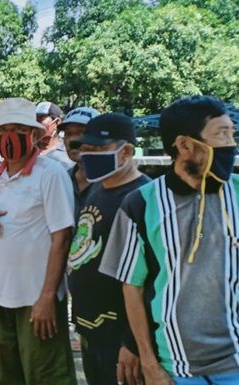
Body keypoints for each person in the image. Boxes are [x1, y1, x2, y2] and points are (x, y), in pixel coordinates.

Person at [100, 95, 239, 385]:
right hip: (174, 367)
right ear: (185, 145)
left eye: (231, 134)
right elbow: (132, 287)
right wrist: (149, 363)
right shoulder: (140, 204)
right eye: (221, 134)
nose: (230, 144)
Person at [0, 97, 77, 385]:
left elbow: (62, 237)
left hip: (37, 301)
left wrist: (47, 297)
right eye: (4, 129)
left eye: (19, 128)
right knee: (6, 376)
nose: (11, 136)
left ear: (34, 135)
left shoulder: (51, 174)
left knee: (47, 376)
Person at [67, 113, 150, 385]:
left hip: (123, 337)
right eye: (85, 150)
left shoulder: (144, 198)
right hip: (91, 329)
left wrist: (134, 343)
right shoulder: (96, 190)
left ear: (126, 151)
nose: (87, 156)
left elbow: (154, 279)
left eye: (98, 150)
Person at [60, 107, 101, 216]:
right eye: (68, 134)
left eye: (81, 132)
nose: (73, 140)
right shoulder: (62, 180)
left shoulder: (113, 182)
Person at [37, 101, 75, 170]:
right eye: (34, 119)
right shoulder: (26, 149)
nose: (36, 124)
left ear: (57, 122)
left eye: (40, 120)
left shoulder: (69, 153)